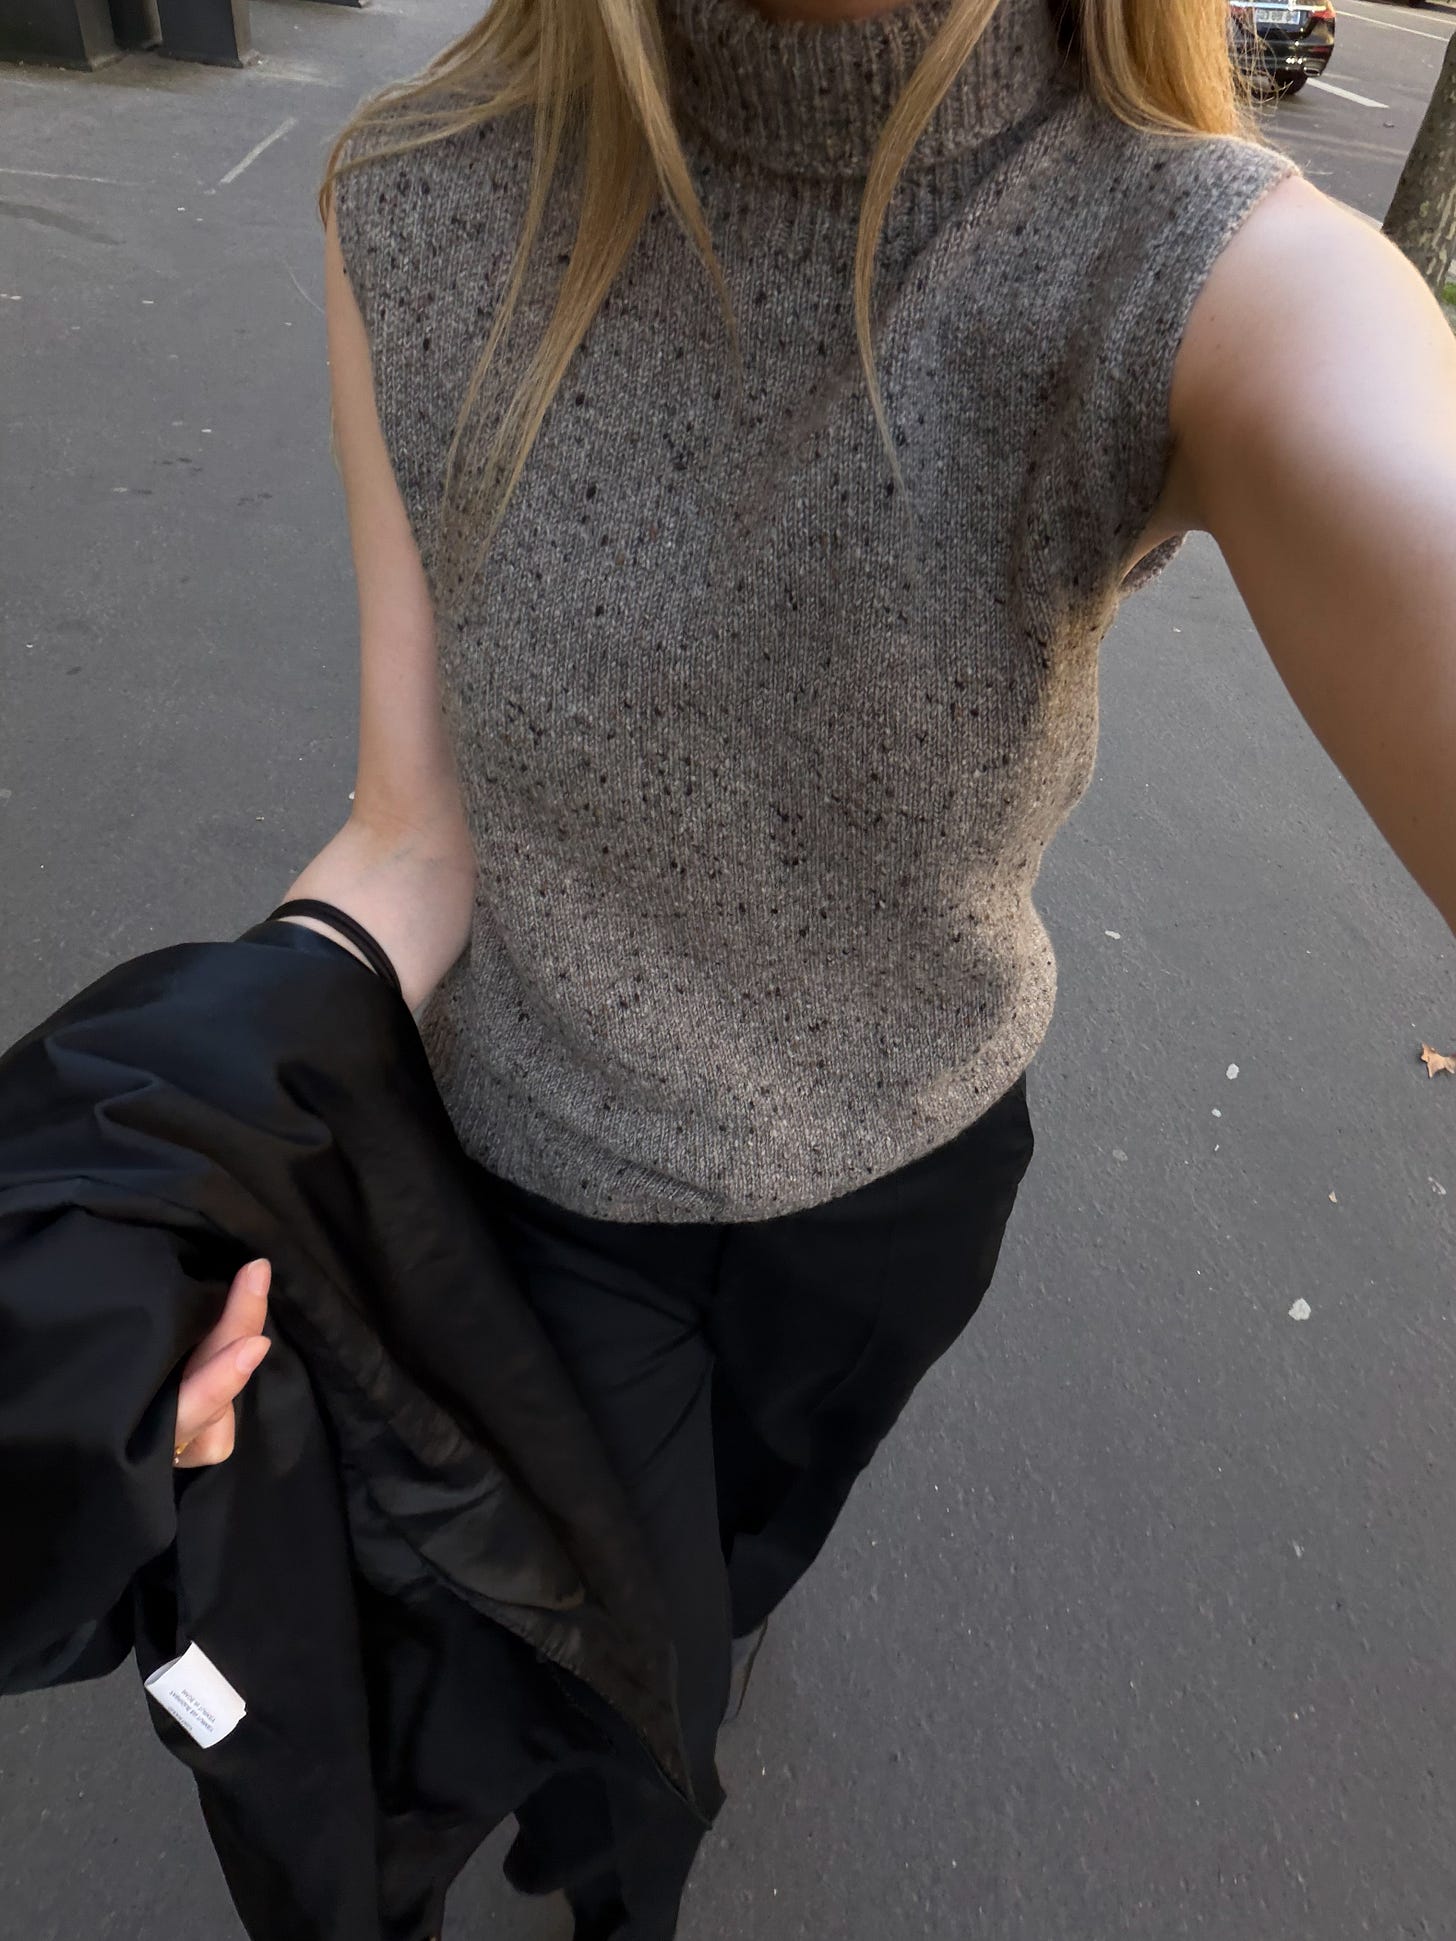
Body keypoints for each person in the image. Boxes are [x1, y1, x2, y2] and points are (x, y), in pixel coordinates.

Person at [167, 0, 1456, 1931]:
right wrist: (166, 1153)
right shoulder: (427, 200)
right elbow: (411, 832)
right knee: (618, 1702)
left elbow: (1392, 466)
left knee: (745, 1558)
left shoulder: (1181, 256)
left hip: (908, 1185)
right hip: (547, 1184)